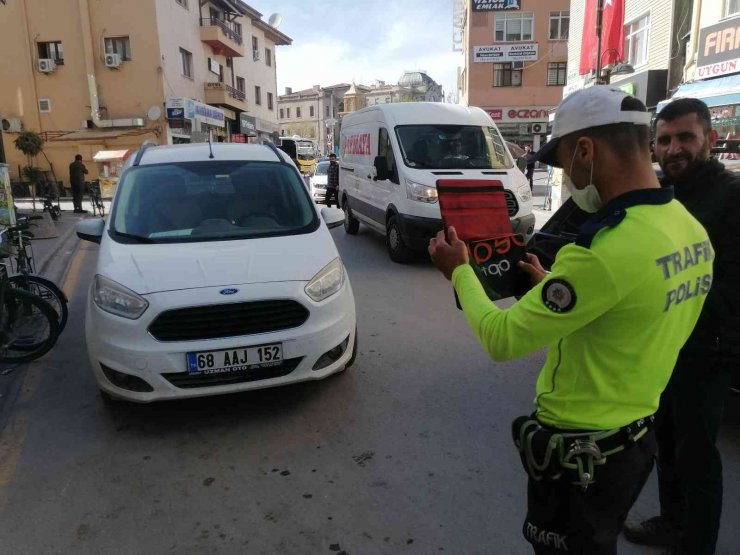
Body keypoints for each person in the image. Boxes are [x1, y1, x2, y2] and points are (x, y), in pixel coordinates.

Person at [428, 86, 713, 554]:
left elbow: (502, 339)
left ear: (585, 150)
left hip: (583, 454)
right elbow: (632, 309)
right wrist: (555, 285)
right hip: (638, 436)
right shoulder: (685, 225)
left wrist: (459, 270)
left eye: (562, 162)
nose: (566, 175)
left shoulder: (602, 252)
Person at [622, 98, 740, 555]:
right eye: (665, 140)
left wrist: (721, 344)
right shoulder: (663, 192)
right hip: (664, 346)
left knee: (698, 456)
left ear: (710, 139)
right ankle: (671, 523)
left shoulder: (730, 198)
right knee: (665, 443)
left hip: (706, 351)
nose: (674, 148)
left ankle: (698, 543)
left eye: (685, 137)